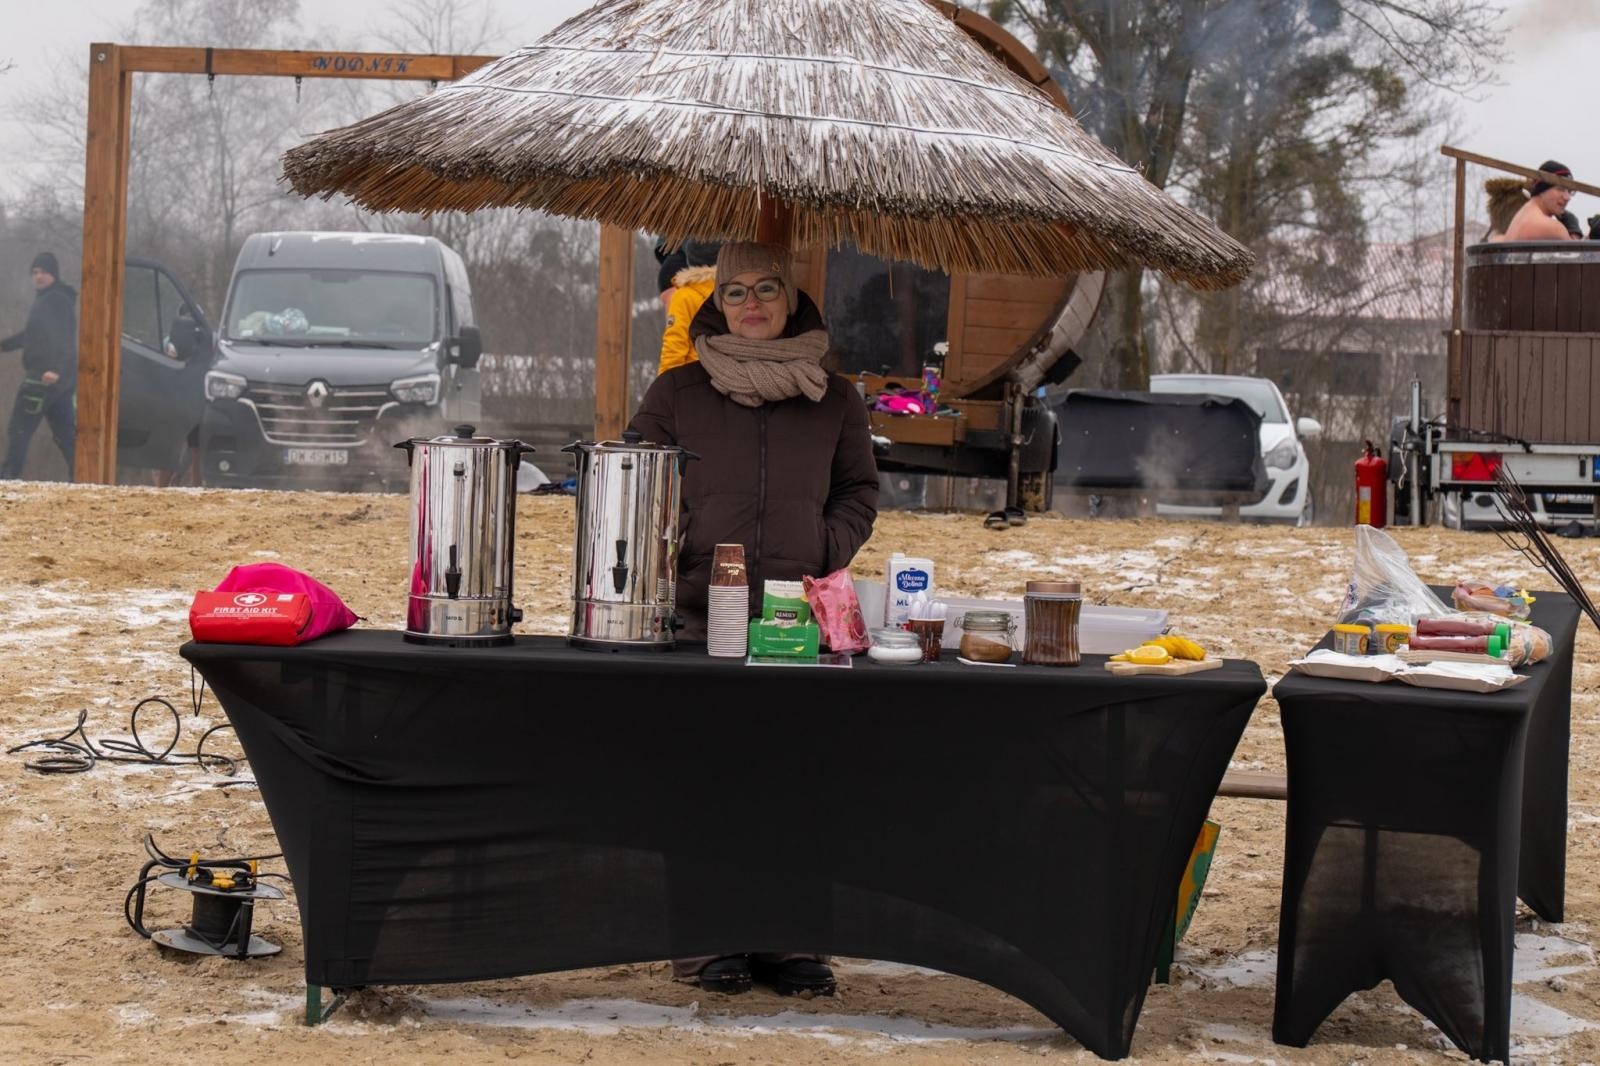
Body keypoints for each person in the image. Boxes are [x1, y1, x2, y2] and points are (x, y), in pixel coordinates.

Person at [627, 242, 879, 998]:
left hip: (796, 618)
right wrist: (679, 555)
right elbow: (637, 483)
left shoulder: (835, 397)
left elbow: (858, 490)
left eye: (768, 288)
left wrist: (821, 549)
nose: (753, 303)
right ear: (717, 303)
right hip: (698, 614)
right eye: (736, 292)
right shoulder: (678, 392)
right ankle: (709, 945)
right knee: (705, 777)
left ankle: (791, 941)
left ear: (792, 298)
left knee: (797, 777)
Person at [1, 252, 78, 479]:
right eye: (35, 272)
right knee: (66, 435)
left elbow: (66, 338)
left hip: (44, 377)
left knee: (19, 430)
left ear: (53, 273)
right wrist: (4, 346)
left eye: (43, 272)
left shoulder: (56, 300)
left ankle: (7, 479)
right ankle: (83, 476)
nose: (38, 276)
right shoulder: (46, 298)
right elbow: (32, 335)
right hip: (58, 383)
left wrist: (55, 370)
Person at [656, 239, 721, 374]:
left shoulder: (684, 297)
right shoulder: (731, 295)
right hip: (725, 380)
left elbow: (674, 348)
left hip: (692, 380)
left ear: (690, 261)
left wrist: (663, 389)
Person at [1497, 160, 1582, 242]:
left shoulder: (1524, 213)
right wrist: (1574, 233)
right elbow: (1576, 253)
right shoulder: (1552, 228)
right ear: (1542, 189)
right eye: (1560, 189)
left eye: (1570, 191)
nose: (1567, 197)